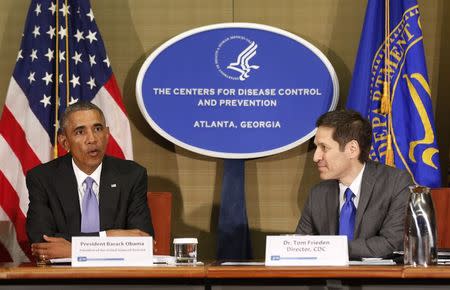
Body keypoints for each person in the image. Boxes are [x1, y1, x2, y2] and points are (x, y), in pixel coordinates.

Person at [26, 101, 153, 260]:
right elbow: (42, 244)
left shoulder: (132, 175)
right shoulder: (42, 178)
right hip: (62, 279)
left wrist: (74, 250)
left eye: (98, 129)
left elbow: (143, 243)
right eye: (80, 132)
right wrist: (109, 236)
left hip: (116, 278)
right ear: (64, 142)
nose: (92, 139)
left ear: (107, 134)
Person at [296, 109, 412, 259]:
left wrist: (327, 248)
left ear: (352, 149)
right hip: (326, 281)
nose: (316, 157)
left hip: (376, 280)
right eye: (316, 147)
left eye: (324, 148)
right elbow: (299, 247)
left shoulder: (396, 183)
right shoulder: (318, 193)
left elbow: (391, 244)